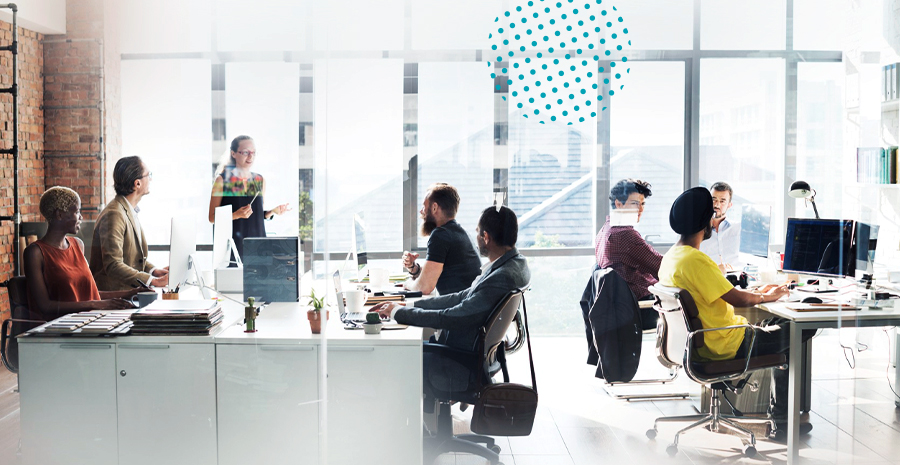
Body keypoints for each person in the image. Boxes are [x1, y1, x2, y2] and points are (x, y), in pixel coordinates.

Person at [659, 187, 814, 442]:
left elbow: (722, 291)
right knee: (801, 325)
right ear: (705, 222)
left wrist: (761, 293)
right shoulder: (696, 260)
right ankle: (781, 423)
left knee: (781, 324)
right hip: (728, 344)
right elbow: (737, 297)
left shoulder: (672, 257)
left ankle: (782, 420)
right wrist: (768, 296)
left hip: (707, 342)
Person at [372, 206, 530, 395]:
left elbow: (454, 317)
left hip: (459, 364)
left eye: (478, 233)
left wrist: (399, 313)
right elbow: (463, 296)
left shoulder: (501, 276)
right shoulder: (515, 264)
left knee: (393, 353)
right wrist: (409, 305)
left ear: (486, 237)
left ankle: (407, 422)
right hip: (474, 356)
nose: (477, 237)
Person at [25, 187, 139, 321]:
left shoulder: (77, 245)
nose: (81, 217)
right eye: (77, 211)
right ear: (59, 215)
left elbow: (91, 294)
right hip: (58, 329)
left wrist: (131, 293)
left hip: (87, 321)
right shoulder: (35, 253)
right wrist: (94, 305)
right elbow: (45, 306)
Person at [91, 156, 169, 291]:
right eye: (148, 175)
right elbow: (113, 265)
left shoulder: (127, 210)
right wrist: (153, 282)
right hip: (115, 297)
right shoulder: (114, 214)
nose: (150, 179)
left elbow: (131, 258)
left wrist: (153, 271)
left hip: (128, 294)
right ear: (137, 183)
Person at [208, 135, 291, 261]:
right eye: (246, 152)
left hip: (259, 247)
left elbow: (256, 215)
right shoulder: (223, 180)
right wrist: (236, 215)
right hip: (232, 249)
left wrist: (272, 212)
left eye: (253, 152)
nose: (250, 156)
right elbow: (212, 217)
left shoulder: (259, 180)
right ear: (233, 153)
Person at [594, 178, 662, 329]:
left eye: (642, 204)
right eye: (634, 203)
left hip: (620, 308)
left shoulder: (606, 229)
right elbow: (661, 267)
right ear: (618, 203)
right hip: (640, 309)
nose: (640, 210)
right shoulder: (625, 234)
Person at [401, 183, 482, 295]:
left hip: (459, 308)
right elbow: (432, 275)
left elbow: (424, 287)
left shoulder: (441, 235)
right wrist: (413, 268)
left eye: (424, 206)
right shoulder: (458, 232)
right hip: (467, 305)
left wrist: (407, 284)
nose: (421, 211)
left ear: (434, 208)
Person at [699, 182, 741, 272]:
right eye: (713, 200)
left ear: (729, 205)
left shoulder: (738, 229)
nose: (716, 205)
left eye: (722, 201)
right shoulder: (697, 231)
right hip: (709, 278)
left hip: (736, 278)